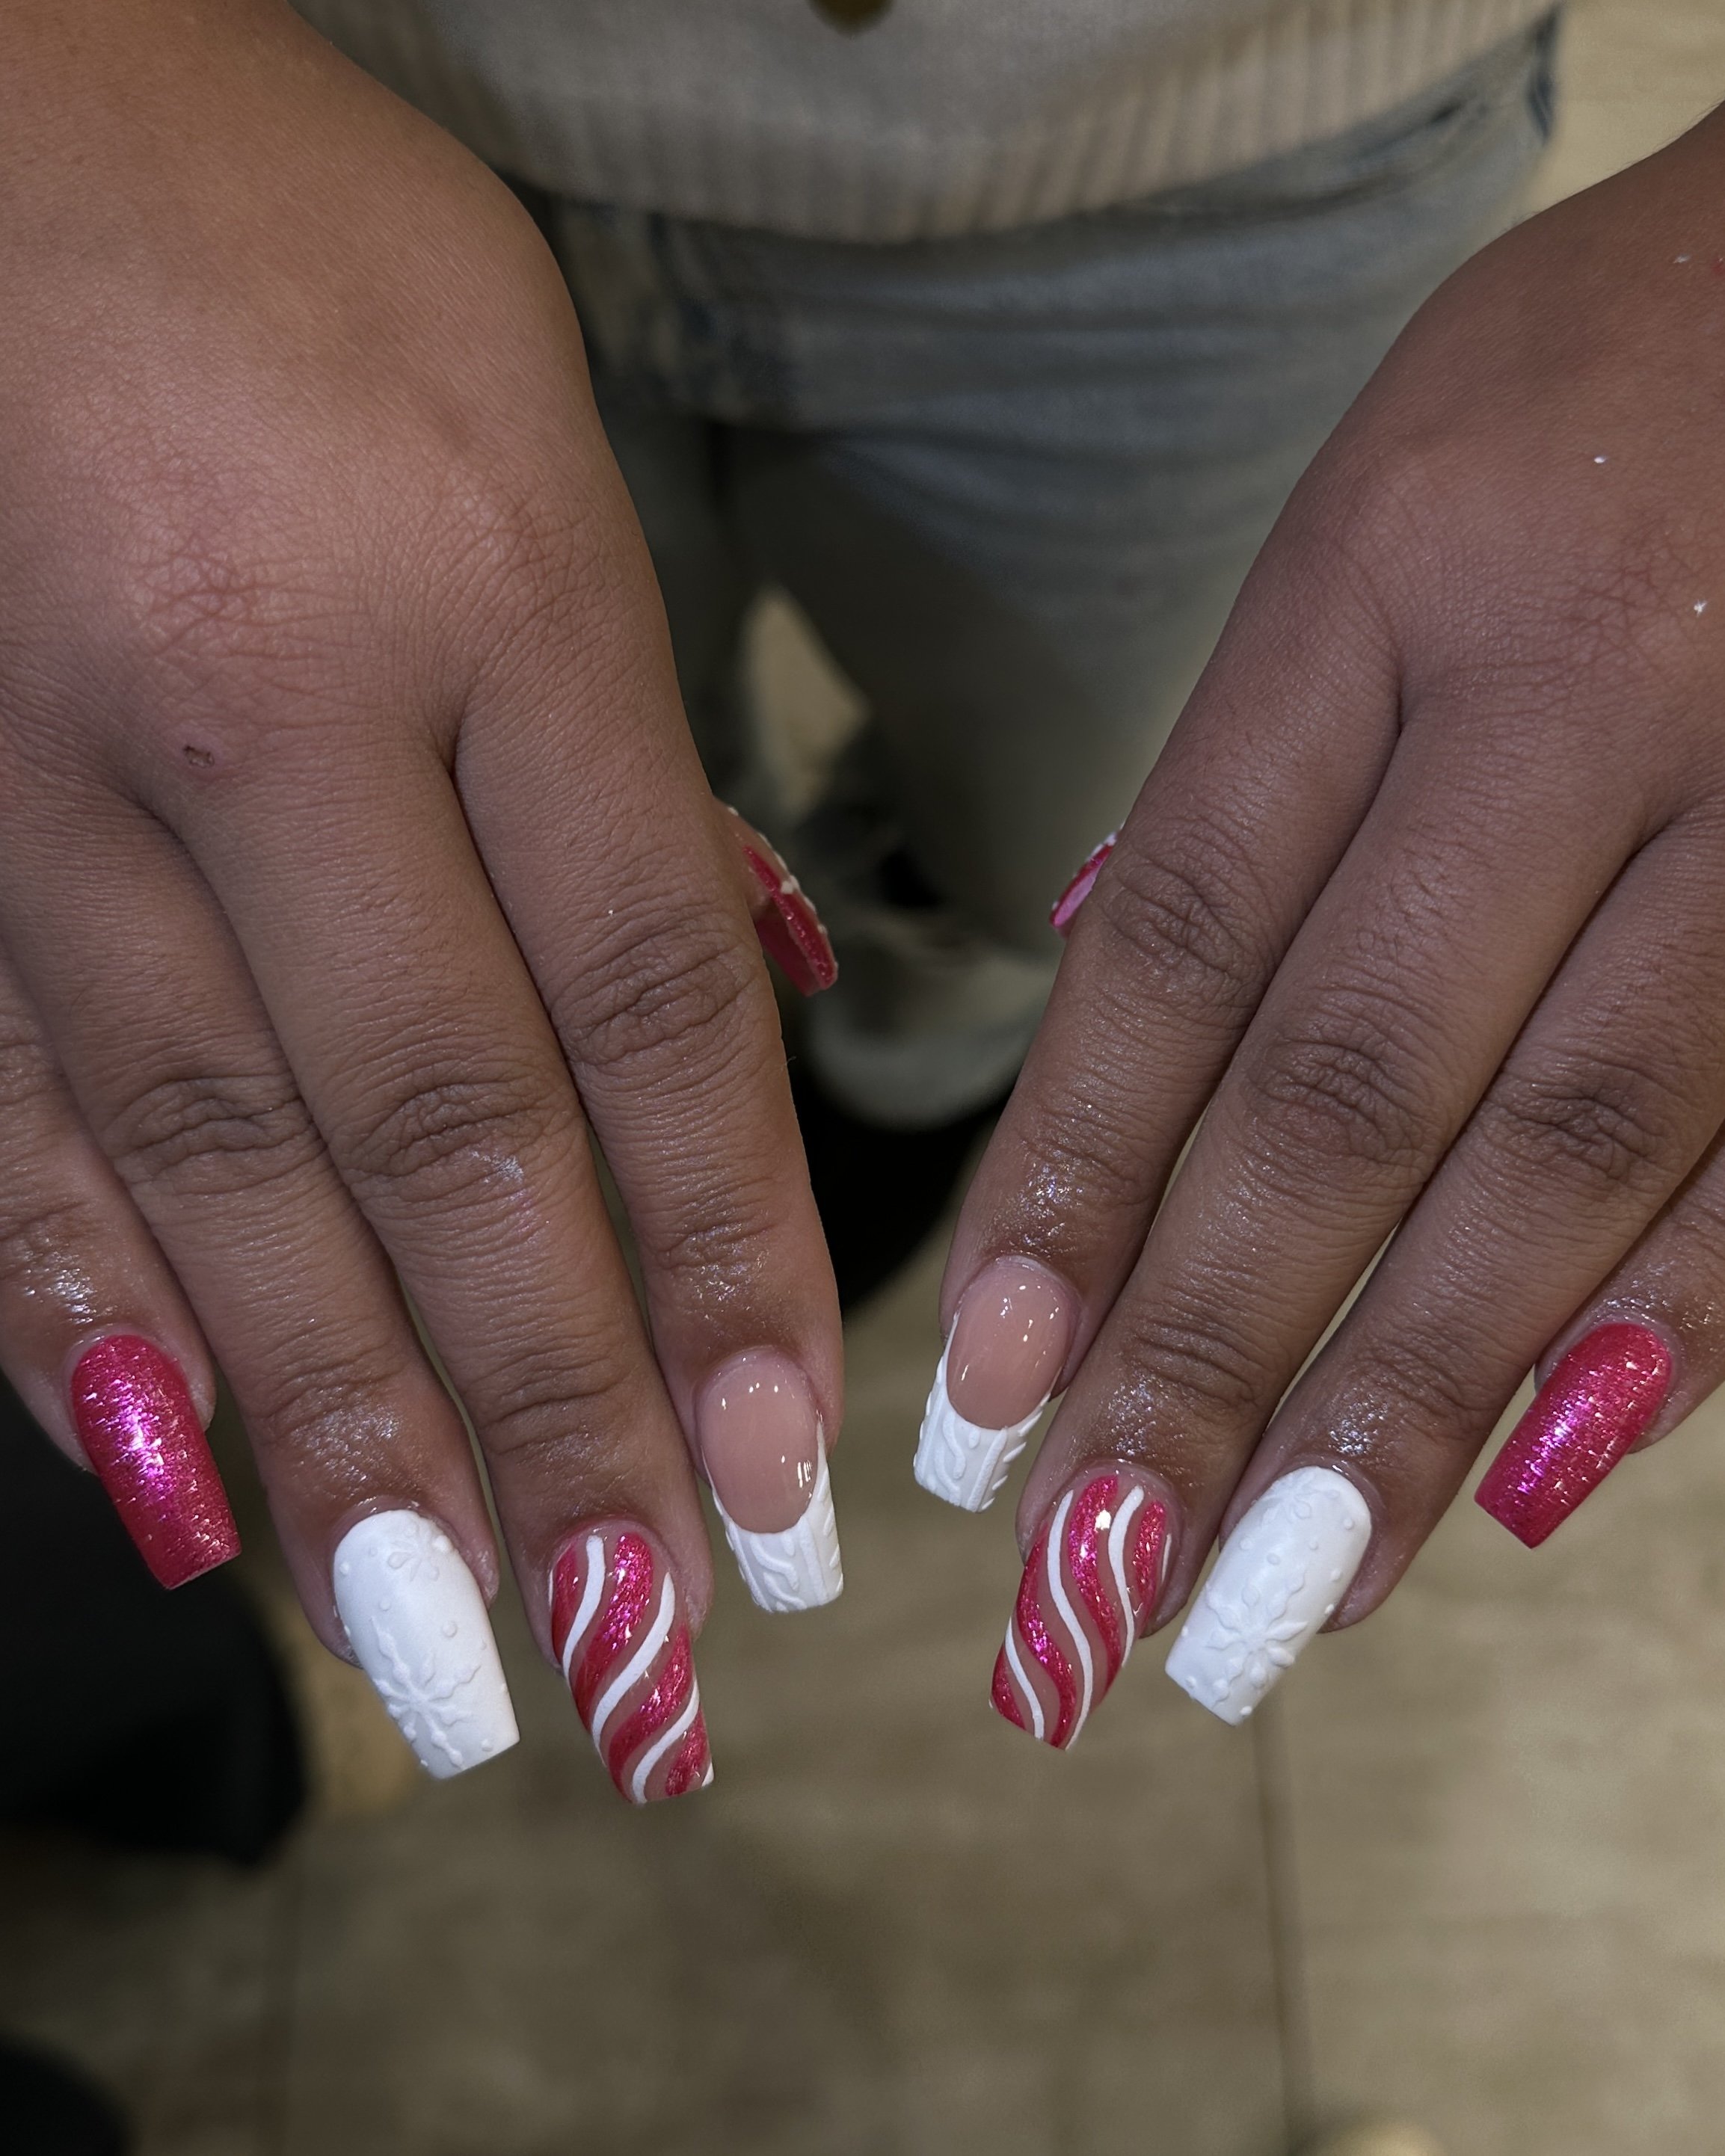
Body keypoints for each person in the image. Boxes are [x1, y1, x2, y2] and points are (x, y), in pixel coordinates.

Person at [3, 0, 1720, 1843]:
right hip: (245, 119)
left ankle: (922, 1051)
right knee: (528, 922)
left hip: (1237, 156)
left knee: (1066, 872)